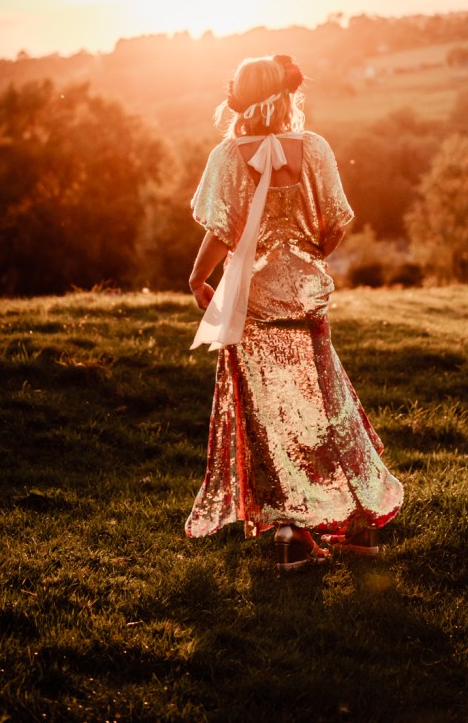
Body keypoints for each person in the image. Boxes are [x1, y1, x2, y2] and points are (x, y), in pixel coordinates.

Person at [186, 54, 403, 570]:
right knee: (328, 406)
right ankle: (356, 520)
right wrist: (312, 252)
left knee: (267, 415)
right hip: (306, 298)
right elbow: (337, 221)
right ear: (287, 95)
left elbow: (221, 231)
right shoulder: (317, 149)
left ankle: (290, 531)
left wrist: (198, 277)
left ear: (240, 98)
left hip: (253, 302)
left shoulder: (225, 156)